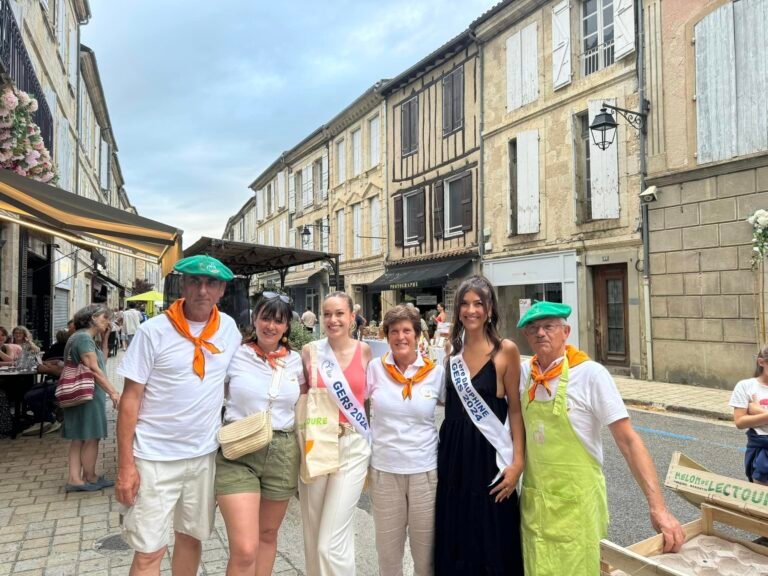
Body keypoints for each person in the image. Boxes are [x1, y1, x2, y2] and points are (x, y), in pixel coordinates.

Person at [518, 300, 685, 575]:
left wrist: (659, 508)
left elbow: (629, 442)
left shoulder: (591, 375)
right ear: (526, 336)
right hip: (535, 506)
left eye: (549, 326)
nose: (540, 333)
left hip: (578, 508)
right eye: (533, 328)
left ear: (566, 331)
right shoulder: (525, 374)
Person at [116, 255, 242, 576]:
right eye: (195, 281)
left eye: (211, 283)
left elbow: (236, 384)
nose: (202, 290)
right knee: (148, 551)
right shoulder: (153, 332)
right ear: (183, 285)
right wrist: (125, 466)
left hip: (203, 457)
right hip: (153, 458)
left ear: (222, 289)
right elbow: (130, 400)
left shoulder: (228, 330)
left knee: (190, 538)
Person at [435, 275, 525, 575]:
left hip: (489, 455)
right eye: (464, 303)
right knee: (456, 529)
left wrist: (518, 464)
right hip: (454, 457)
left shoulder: (506, 351)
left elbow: (515, 411)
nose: (470, 310)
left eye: (478, 304)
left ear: (489, 310)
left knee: (491, 533)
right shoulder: (451, 354)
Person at [216, 292, 304, 575]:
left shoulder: (297, 362)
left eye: (279, 321)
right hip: (238, 451)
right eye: (265, 318)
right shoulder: (235, 355)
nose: (271, 326)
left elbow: (307, 401)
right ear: (254, 319)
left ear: (287, 326)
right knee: (244, 548)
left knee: (267, 535)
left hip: (282, 451)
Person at [366, 304, 445, 576]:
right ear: (386, 335)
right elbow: (359, 410)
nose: (401, 337)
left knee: (425, 558)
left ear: (417, 335)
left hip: (425, 473)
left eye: (407, 331)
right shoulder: (375, 369)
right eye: (395, 331)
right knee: (388, 557)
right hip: (385, 471)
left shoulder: (436, 373)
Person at [299, 292, 372, 576]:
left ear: (352, 316)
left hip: (351, 445)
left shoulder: (365, 351)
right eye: (327, 314)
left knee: (330, 542)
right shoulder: (309, 351)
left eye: (339, 313)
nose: (333, 320)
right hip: (317, 442)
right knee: (314, 532)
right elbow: (301, 398)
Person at [61, 304, 121, 492]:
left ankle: (75, 478)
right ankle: (90, 476)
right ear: (93, 318)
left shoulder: (81, 338)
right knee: (91, 436)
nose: (108, 321)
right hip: (87, 393)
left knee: (79, 437)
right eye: (105, 317)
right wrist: (113, 391)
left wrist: (105, 340)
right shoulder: (84, 339)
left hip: (81, 393)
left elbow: (100, 361)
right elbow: (94, 369)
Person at [730, 343, 768, 484]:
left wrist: (757, 411)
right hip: (762, 455)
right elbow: (740, 422)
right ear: (761, 362)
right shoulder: (746, 386)